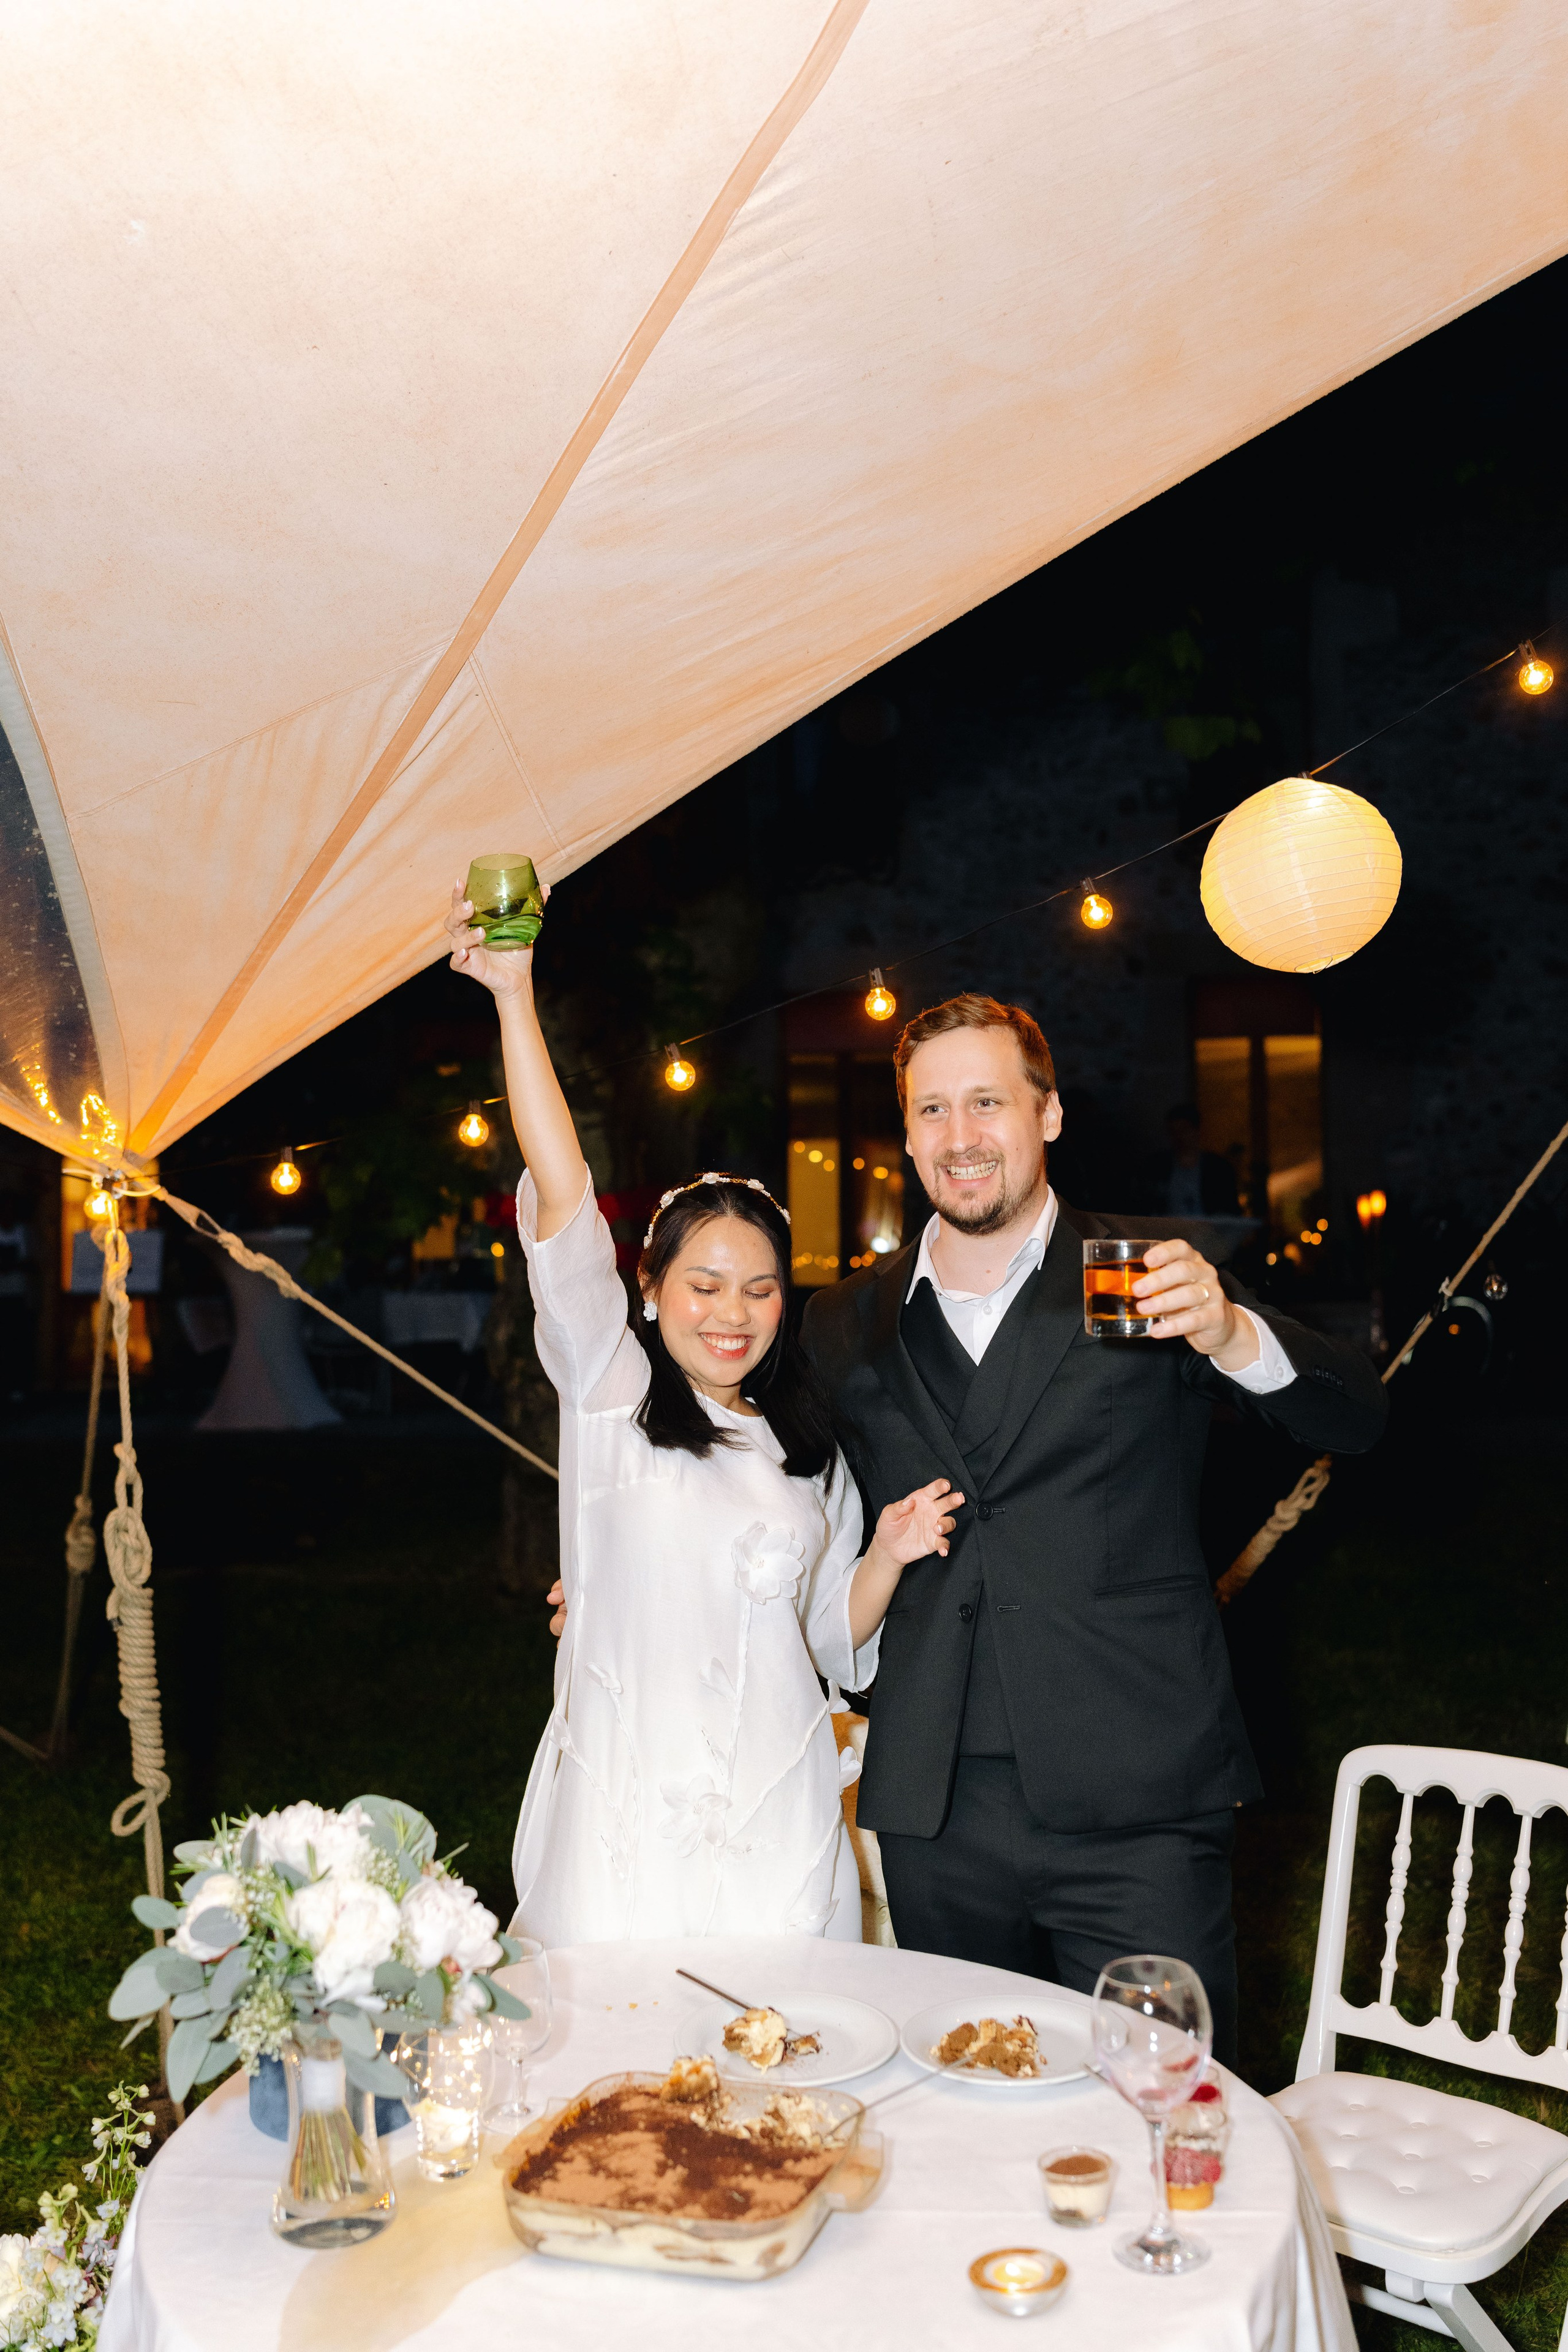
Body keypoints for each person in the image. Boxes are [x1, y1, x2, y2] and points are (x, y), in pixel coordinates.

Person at [799, 995, 1387, 2062]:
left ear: (1050, 1114)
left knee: (1164, 2099)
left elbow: (1354, 1415)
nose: (961, 1135)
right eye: (933, 1109)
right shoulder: (845, 1319)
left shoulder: (1143, 1272)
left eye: (988, 1102)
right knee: (968, 2110)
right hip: (936, 1803)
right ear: (908, 1134)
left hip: (1140, 1792)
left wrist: (1231, 1331)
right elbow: (770, 1481)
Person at [445, 881, 962, 1945]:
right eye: (706, 1285)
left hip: (778, 1806)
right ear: (649, 1289)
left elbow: (828, 1634)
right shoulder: (611, 1397)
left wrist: (890, 1552)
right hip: (629, 1815)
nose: (733, 1314)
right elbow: (562, 1194)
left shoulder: (807, 1452)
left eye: (760, 1288)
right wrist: (512, 996)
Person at [1140, 1101, 1243, 1218]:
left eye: (1184, 1130)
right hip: (1168, 1228)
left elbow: (1231, 1210)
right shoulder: (1157, 1166)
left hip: (1208, 1229)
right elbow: (1147, 1205)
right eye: (1173, 1132)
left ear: (1197, 1131)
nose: (1179, 1137)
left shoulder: (1218, 1168)